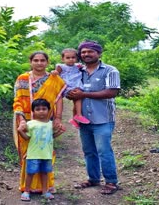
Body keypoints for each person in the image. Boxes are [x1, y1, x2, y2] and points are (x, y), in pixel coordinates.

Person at [67, 40, 121, 195]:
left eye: (90, 51)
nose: (86, 54)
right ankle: (93, 179)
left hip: (103, 118)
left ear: (99, 53)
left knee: (104, 150)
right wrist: (71, 94)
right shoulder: (78, 71)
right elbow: (72, 89)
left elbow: (111, 92)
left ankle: (111, 182)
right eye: (83, 52)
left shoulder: (110, 70)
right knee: (89, 150)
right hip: (84, 119)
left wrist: (84, 94)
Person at [13, 51, 66, 194]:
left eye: (42, 60)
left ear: (47, 62)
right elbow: (18, 100)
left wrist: (58, 118)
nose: (39, 63)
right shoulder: (23, 78)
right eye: (35, 60)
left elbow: (59, 99)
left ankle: (46, 186)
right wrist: (22, 120)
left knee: (46, 150)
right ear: (31, 62)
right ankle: (27, 187)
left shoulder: (54, 79)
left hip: (46, 120)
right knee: (28, 153)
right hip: (25, 119)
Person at [18, 98, 63, 201]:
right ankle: (26, 191)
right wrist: (20, 131)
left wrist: (59, 132)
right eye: (38, 109)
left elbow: (51, 137)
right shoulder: (30, 124)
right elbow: (27, 138)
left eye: (44, 109)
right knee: (30, 173)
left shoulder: (51, 124)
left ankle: (45, 191)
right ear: (33, 111)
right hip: (33, 154)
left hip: (47, 155)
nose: (41, 111)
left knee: (45, 173)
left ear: (49, 110)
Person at [52, 48, 90, 129]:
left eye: (73, 57)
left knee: (76, 101)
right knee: (78, 98)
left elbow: (86, 67)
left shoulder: (78, 66)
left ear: (76, 58)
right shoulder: (61, 66)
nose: (71, 60)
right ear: (63, 59)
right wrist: (54, 72)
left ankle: (74, 118)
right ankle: (78, 115)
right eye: (68, 58)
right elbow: (56, 73)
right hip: (68, 86)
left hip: (76, 84)